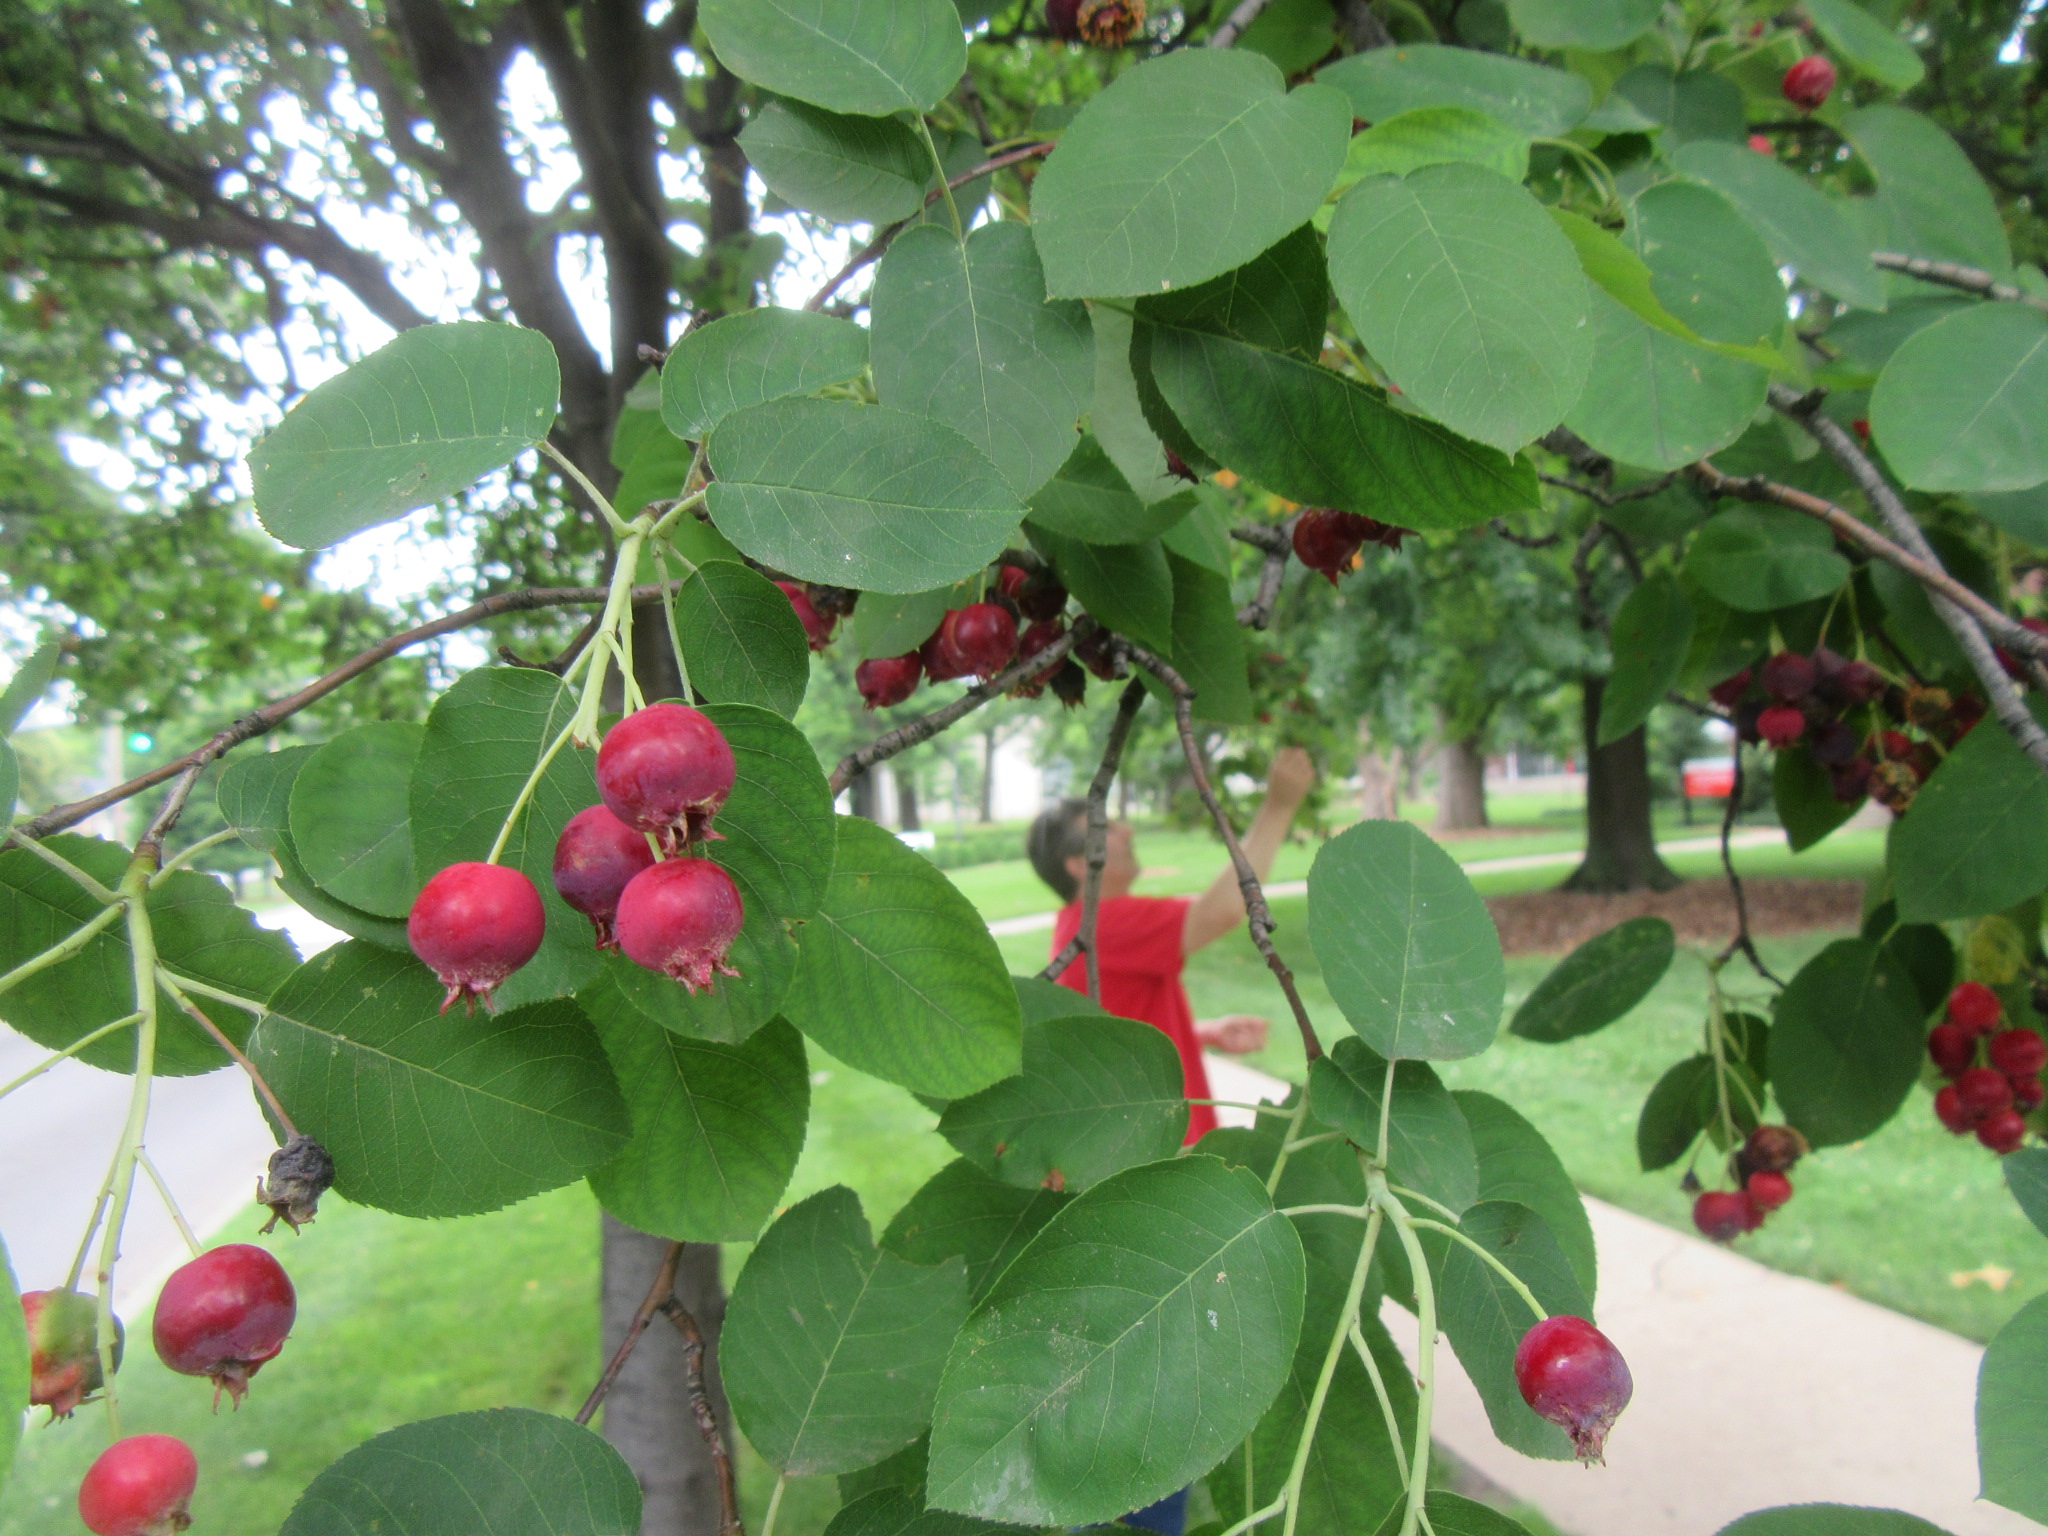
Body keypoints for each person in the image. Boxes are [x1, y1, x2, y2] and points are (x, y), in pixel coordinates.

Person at [1025, 746, 1317, 1144]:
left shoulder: (1081, 928)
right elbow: (1222, 911)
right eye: (1108, 828)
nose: (1128, 832)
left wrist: (1201, 1033)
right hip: (1166, 1149)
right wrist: (1280, 807)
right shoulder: (1103, 925)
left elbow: (1118, 1033)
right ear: (1078, 865)